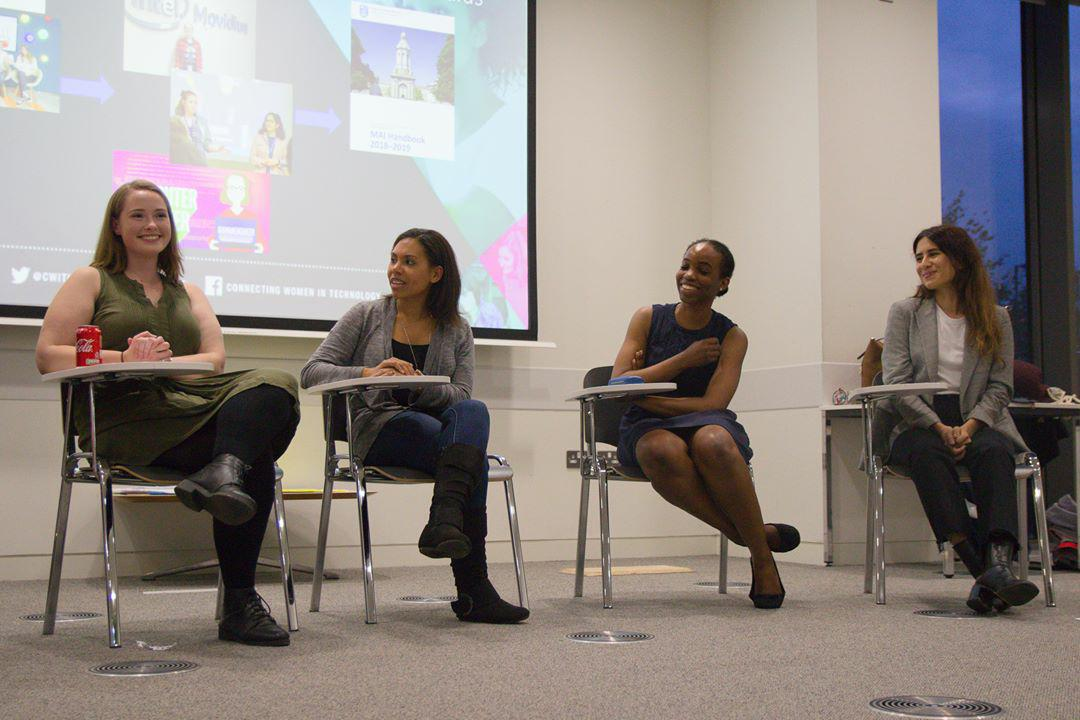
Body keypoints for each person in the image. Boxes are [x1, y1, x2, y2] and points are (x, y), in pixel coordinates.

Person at [35, 180, 300, 646]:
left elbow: (214, 362)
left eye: (160, 215)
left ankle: (223, 472)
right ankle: (239, 602)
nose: (151, 224)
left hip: (187, 406)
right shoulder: (91, 279)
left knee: (277, 384)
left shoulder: (188, 290)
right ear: (116, 225)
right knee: (253, 457)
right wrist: (126, 359)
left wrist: (160, 363)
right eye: (138, 215)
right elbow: (49, 355)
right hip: (121, 420)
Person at [300, 228, 528, 624]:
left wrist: (417, 387)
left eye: (408, 262)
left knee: (473, 412)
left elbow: (460, 392)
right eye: (393, 259)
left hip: (437, 434)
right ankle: (473, 587)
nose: (395, 269)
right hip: (377, 429)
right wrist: (372, 373)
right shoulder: (366, 315)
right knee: (467, 460)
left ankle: (445, 518)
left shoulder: (456, 329)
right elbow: (311, 372)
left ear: (436, 274)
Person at [610, 239, 799, 609]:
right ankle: (757, 544)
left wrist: (645, 391)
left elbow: (713, 403)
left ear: (723, 283)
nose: (689, 275)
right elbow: (617, 384)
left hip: (703, 421)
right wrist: (682, 360)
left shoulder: (732, 336)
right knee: (659, 448)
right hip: (646, 428)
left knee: (713, 440)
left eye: (703, 270)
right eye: (686, 265)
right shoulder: (647, 317)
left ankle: (759, 557)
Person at [882, 224, 1039, 614]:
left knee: (994, 456)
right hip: (919, 420)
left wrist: (969, 427)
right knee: (928, 456)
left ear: (959, 258)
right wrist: (938, 425)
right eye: (918, 257)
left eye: (932, 254)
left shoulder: (995, 318)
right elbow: (898, 383)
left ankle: (998, 566)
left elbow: (1000, 388)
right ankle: (984, 571)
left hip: (977, 419)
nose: (923, 263)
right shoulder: (906, 313)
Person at [169, 90, 223, 165]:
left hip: (199, 161)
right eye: (191, 102)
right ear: (183, 103)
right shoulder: (175, 120)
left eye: (196, 103)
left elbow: (206, 145)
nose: (194, 105)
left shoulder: (202, 122)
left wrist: (217, 149)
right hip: (181, 160)